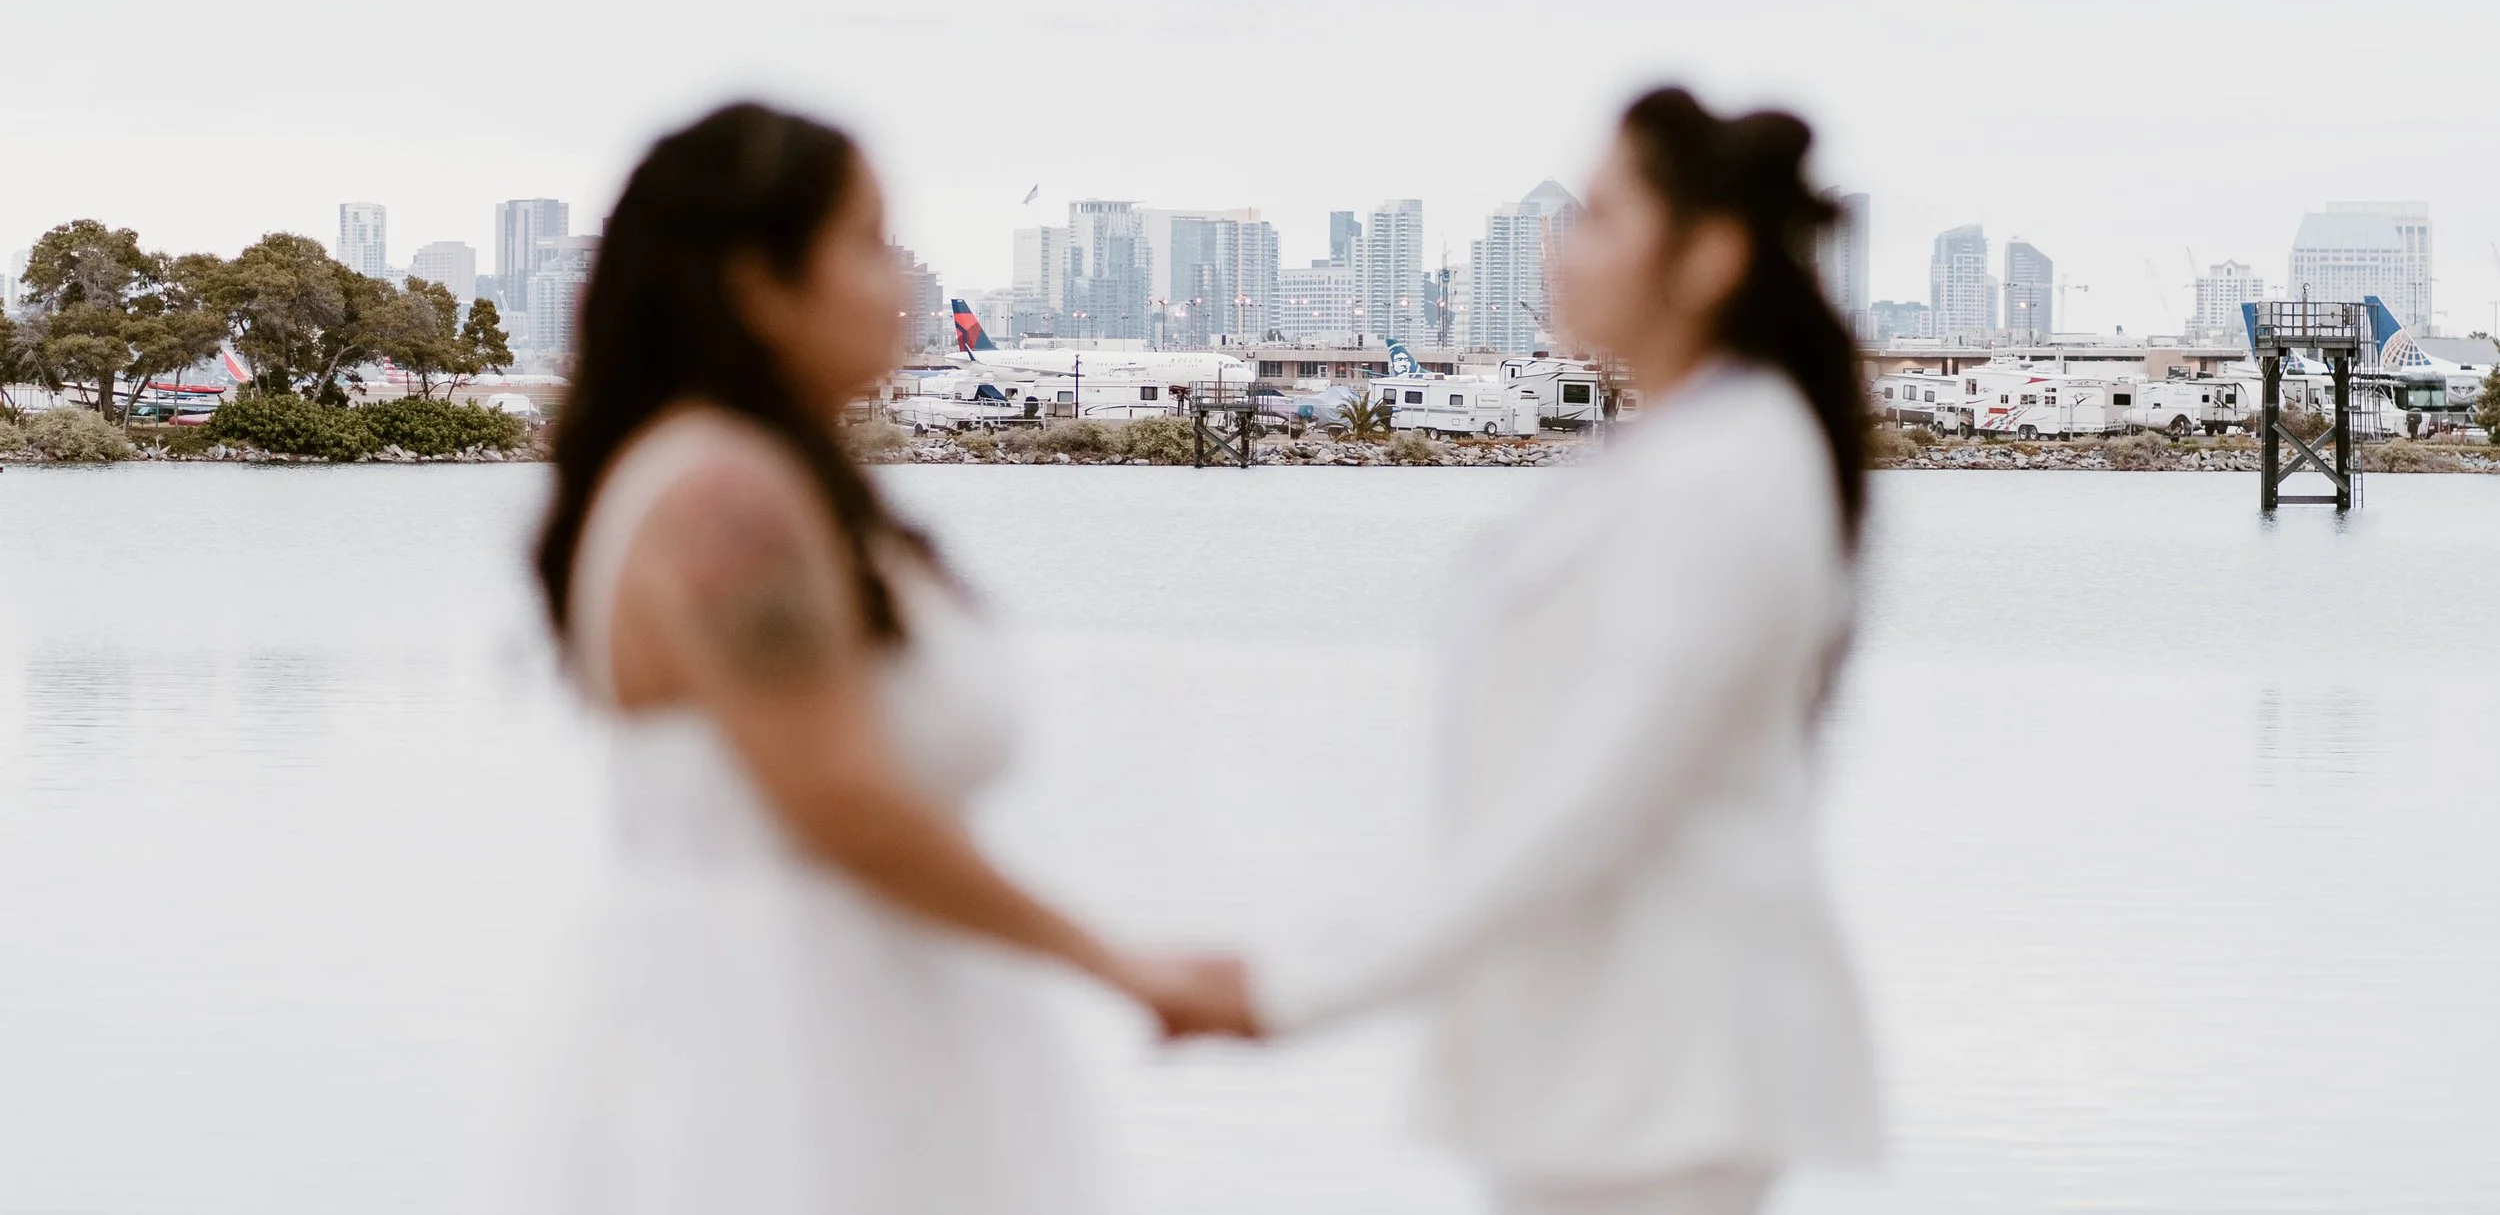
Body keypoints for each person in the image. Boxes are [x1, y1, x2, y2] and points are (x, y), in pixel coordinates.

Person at [482, 101, 1233, 1213]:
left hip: (827, 1027)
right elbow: (840, 799)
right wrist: (1120, 964)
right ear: (757, 283)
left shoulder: (746, 480)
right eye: (869, 243)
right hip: (779, 1048)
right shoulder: (725, 498)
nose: (904, 286)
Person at [1199, 85, 1883, 1215]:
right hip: (1596, 1066)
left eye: (1601, 218)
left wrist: (1295, 987)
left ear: (1708, 257)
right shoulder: (1677, 453)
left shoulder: (1730, 473)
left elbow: (1585, 800)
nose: (1562, 251)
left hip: (1664, 1074)